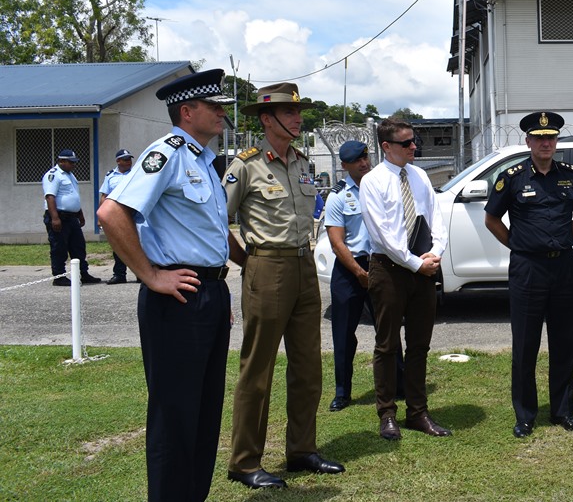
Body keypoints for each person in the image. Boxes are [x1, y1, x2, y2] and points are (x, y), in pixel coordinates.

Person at [96, 69, 244, 501]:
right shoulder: (168, 153)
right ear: (187, 111)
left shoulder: (203, 161)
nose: (222, 114)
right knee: (174, 416)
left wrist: (222, 288)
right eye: (214, 107)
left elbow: (210, 233)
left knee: (203, 413)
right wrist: (151, 274)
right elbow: (111, 214)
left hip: (209, 293)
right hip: (177, 298)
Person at [224, 82, 344, 489]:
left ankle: (301, 450)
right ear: (266, 118)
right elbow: (214, 222)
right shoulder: (245, 165)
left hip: (303, 266)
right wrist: (248, 262)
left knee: (308, 365)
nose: (298, 119)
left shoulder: (302, 162)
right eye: (290, 113)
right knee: (258, 369)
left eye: (299, 113)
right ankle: (244, 461)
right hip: (267, 268)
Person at [484, 111, 573, 438]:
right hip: (527, 269)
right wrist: (517, 245)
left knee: (564, 342)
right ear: (528, 141)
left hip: (562, 267)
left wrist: (563, 239)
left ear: (556, 142)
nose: (546, 143)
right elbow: (492, 219)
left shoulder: (571, 176)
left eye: (551, 138)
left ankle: (563, 411)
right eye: (539, 138)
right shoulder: (512, 177)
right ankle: (526, 415)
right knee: (526, 344)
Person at [360, 117, 450, 441]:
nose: (414, 147)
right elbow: (383, 235)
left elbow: (436, 219)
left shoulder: (420, 175)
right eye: (407, 143)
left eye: (415, 141)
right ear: (387, 147)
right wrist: (415, 263)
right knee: (387, 345)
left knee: (419, 345)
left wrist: (435, 253)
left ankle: (418, 412)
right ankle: (387, 414)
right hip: (390, 270)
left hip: (423, 269)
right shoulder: (372, 181)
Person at [324, 139, 404, 411]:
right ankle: (343, 392)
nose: (363, 163)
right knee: (344, 334)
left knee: (389, 329)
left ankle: (399, 384)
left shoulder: (384, 187)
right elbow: (337, 243)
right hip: (350, 270)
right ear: (345, 166)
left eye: (365, 157)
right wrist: (359, 272)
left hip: (382, 264)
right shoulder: (337, 195)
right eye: (356, 160)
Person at [43, 148, 101, 286]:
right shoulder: (53, 175)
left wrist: (80, 214)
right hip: (59, 217)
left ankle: (83, 273)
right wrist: (55, 218)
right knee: (59, 247)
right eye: (71, 162)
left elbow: (73, 196)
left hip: (72, 218)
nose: (73, 165)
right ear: (62, 161)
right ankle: (59, 276)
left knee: (78, 247)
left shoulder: (70, 175)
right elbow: (50, 197)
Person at [98, 148, 135, 284]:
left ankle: (141, 275)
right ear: (118, 161)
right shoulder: (110, 176)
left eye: (130, 159)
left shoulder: (136, 174)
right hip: (117, 215)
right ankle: (119, 274)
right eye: (125, 160)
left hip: (134, 214)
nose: (128, 162)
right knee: (119, 244)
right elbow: (104, 196)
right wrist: (100, 218)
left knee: (139, 244)